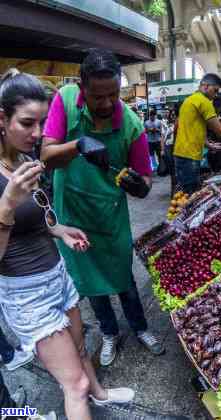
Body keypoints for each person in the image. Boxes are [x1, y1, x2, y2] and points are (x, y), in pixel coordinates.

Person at [0, 70, 133, 420]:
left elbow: (39, 218)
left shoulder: (26, 159)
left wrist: (60, 230)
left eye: (42, 122)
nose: (38, 133)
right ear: (1, 118)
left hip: (56, 275)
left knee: (79, 344)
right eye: (27, 122)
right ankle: (89, 395)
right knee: (73, 385)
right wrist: (7, 204)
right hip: (26, 295)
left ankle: (101, 395)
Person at [41, 49, 164, 368]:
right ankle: (109, 331)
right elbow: (46, 155)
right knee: (91, 279)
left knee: (122, 275)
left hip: (109, 216)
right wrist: (78, 145)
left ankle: (140, 327)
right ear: (82, 88)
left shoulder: (132, 125)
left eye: (114, 94)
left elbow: (146, 178)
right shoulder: (66, 101)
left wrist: (141, 186)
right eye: (98, 97)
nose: (108, 103)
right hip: (72, 214)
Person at [173, 73, 221, 194]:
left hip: (180, 153)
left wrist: (208, 145)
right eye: (215, 90)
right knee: (191, 195)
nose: (215, 95)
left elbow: (192, 128)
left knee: (185, 193)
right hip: (190, 156)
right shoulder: (204, 102)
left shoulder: (189, 100)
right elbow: (220, 131)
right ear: (205, 86)